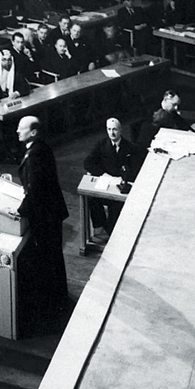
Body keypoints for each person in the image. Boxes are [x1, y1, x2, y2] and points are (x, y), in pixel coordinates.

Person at [16, 116, 69, 333]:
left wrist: (19, 211)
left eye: (22, 128)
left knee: (49, 258)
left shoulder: (37, 153)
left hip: (45, 216)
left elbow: (36, 187)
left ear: (34, 132)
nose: (18, 131)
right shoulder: (38, 148)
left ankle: (53, 308)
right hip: (49, 213)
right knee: (52, 257)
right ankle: (58, 300)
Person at [82, 117, 145, 233]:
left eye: (115, 129)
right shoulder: (101, 144)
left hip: (120, 184)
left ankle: (110, 230)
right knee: (91, 198)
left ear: (120, 130)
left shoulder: (129, 146)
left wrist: (124, 177)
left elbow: (136, 167)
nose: (112, 133)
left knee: (115, 206)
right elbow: (88, 163)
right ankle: (100, 224)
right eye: (109, 129)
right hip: (106, 182)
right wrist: (103, 174)